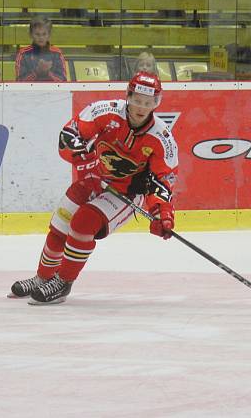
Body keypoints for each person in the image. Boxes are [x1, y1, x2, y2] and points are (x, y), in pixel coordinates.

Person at [9, 72, 179, 304]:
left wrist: (162, 213)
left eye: (148, 103)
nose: (142, 107)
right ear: (128, 96)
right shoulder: (105, 111)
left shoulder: (162, 138)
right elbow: (70, 134)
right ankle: (43, 278)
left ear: (156, 104)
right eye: (138, 100)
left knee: (83, 222)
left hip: (125, 194)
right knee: (60, 226)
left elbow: (163, 180)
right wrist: (79, 151)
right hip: (95, 179)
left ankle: (63, 283)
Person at [15, 16, 69, 82]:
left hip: (53, 91)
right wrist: (37, 72)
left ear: (49, 35)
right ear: (31, 34)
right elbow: (20, 81)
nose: (41, 37)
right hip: (29, 91)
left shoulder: (57, 53)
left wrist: (47, 73)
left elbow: (63, 80)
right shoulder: (23, 54)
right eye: (37, 34)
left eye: (44, 34)